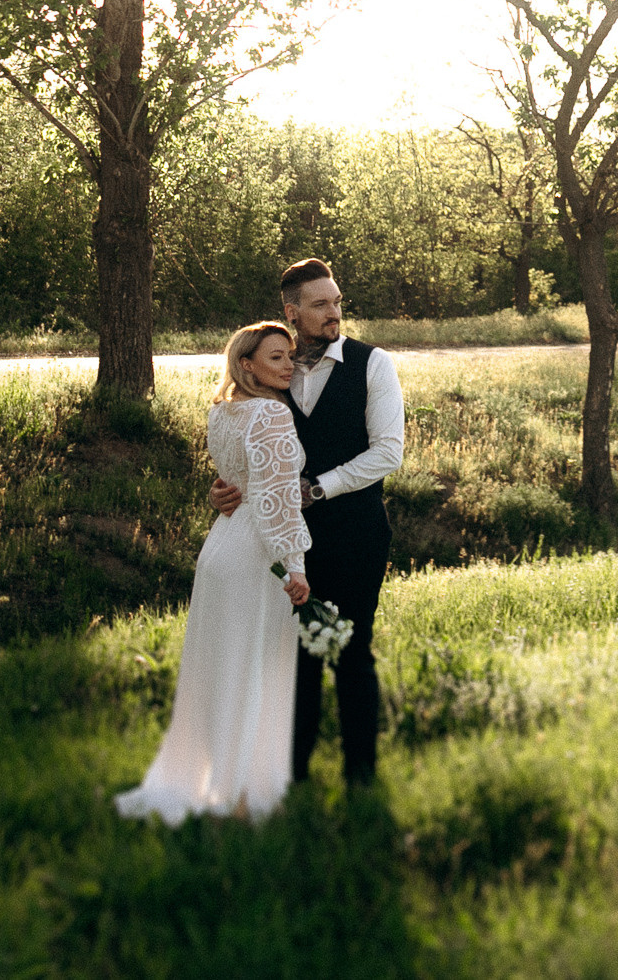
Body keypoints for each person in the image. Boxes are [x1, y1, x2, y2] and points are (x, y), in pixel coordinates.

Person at [209, 257, 403, 787]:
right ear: (292, 312)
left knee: (352, 652)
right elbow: (250, 448)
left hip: (357, 535)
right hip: (285, 545)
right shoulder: (274, 367)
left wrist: (318, 488)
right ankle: (291, 777)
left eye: (337, 302)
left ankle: (361, 779)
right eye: (320, 304)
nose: (334, 312)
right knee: (294, 661)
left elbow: (388, 452)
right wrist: (226, 489)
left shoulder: (372, 364)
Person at [113, 321, 311, 823]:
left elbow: (232, 481)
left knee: (222, 666)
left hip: (221, 547)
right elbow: (278, 502)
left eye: (290, 356)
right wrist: (295, 565)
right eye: (275, 358)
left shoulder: (222, 411)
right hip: (256, 553)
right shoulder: (272, 413)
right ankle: (243, 794)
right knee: (255, 666)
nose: (288, 365)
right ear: (246, 365)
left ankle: (217, 779)